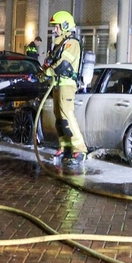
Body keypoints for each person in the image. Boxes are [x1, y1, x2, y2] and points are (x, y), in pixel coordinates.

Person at [42, 11, 86, 172]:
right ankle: (66, 147)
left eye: (57, 26)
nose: (55, 30)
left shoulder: (72, 43)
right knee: (60, 118)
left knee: (67, 116)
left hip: (67, 85)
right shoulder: (60, 44)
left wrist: (48, 72)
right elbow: (52, 62)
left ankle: (80, 150)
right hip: (58, 84)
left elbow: (63, 65)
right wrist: (42, 72)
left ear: (66, 25)